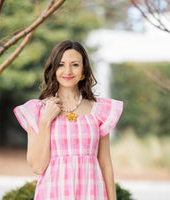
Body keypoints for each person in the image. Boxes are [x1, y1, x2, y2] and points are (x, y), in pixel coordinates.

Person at [13, 40, 123, 200]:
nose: (68, 71)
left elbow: (105, 163)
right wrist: (45, 121)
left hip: (91, 193)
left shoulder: (99, 110)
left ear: (83, 69)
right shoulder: (38, 110)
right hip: (53, 193)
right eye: (61, 64)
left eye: (75, 65)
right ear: (54, 69)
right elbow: (37, 167)